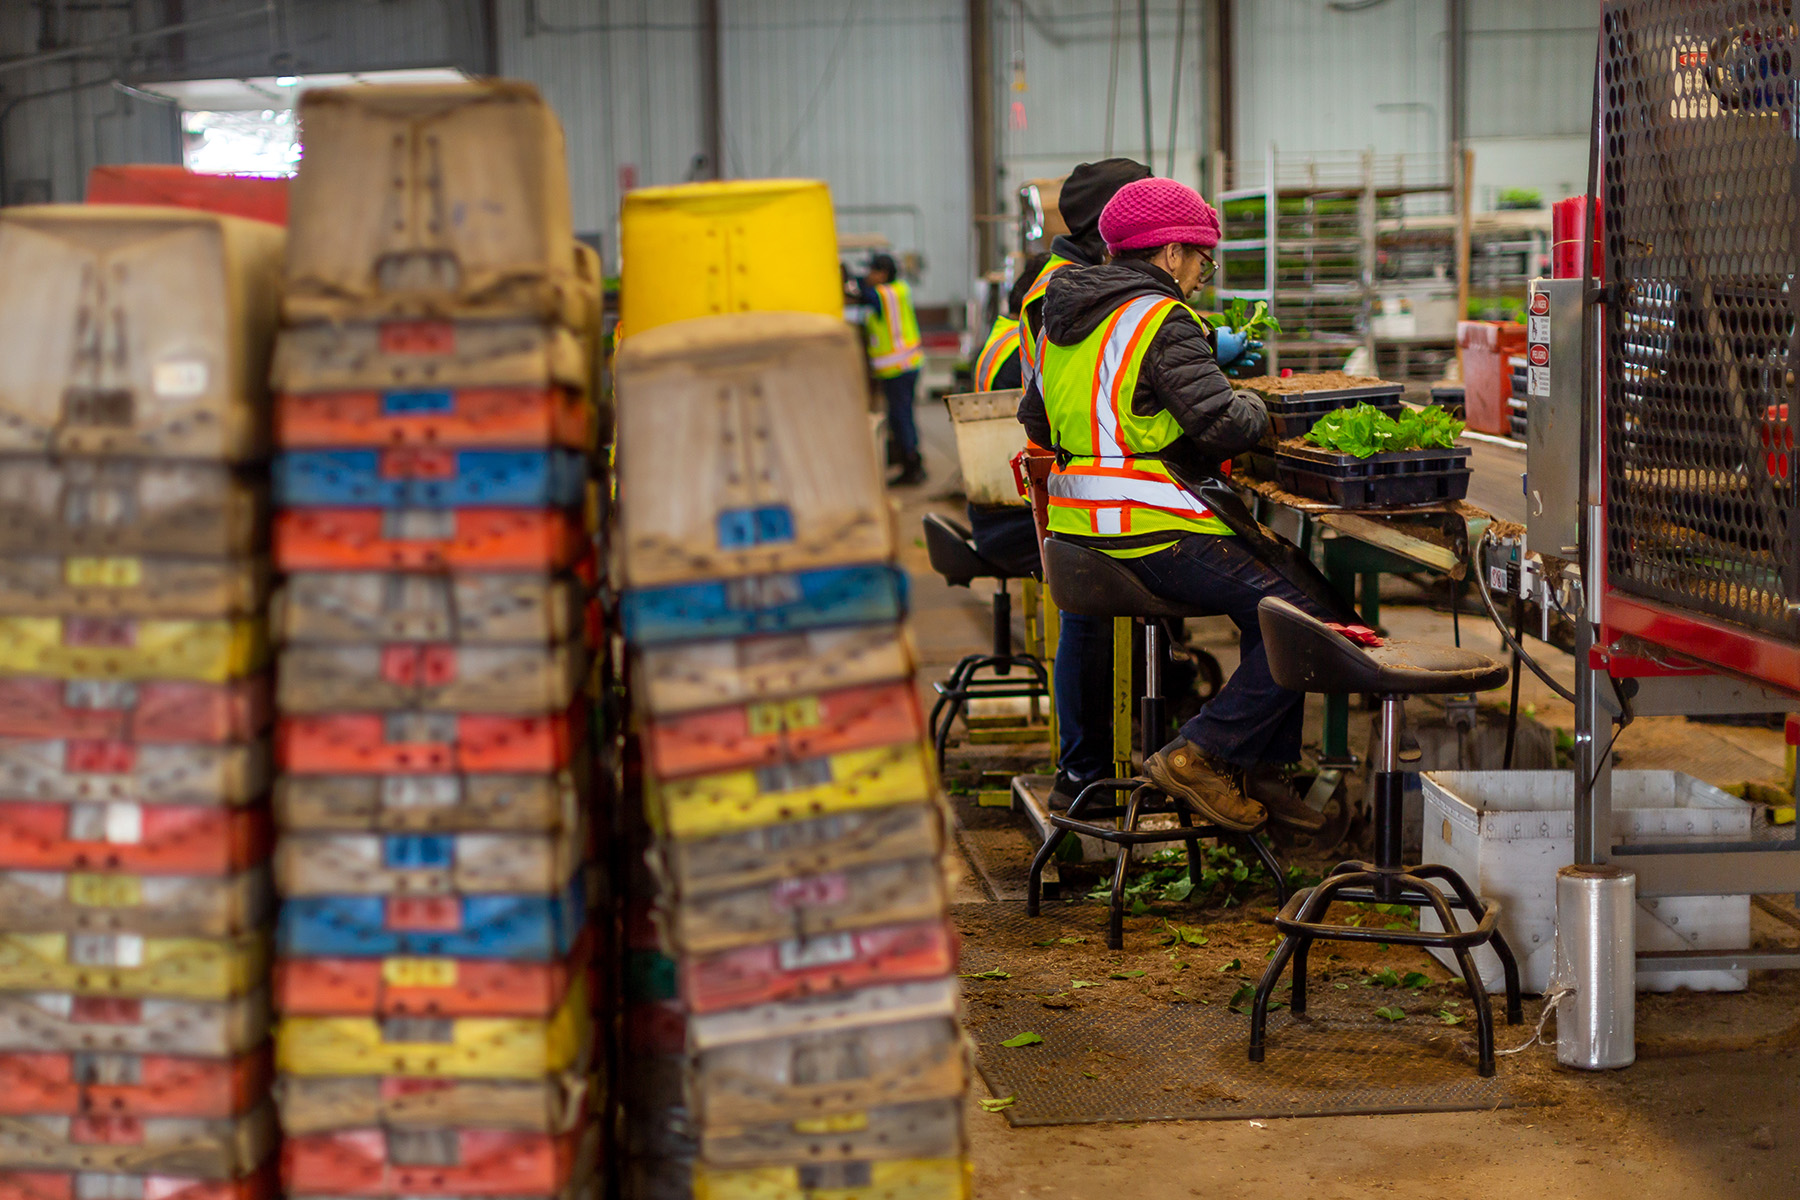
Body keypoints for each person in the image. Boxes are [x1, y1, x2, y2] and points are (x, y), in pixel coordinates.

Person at [1019, 175, 1345, 832]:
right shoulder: (1159, 318)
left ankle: (1252, 770)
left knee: (1277, 601)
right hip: (1146, 527)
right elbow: (1223, 424)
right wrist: (1259, 405)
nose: (1203, 271)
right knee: (1305, 614)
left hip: (1078, 528)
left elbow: (1036, 417)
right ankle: (1206, 754)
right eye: (1201, 255)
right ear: (1170, 254)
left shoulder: (1064, 320)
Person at [855, 254, 927, 486]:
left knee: (901, 417)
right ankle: (910, 461)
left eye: (872, 271)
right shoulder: (899, 289)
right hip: (905, 365)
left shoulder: (885, 294)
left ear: (883, 273)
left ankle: (912, 466)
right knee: (903, 416)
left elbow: (864, 294)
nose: (869, 276)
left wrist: (849, 278)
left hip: (898, 367)